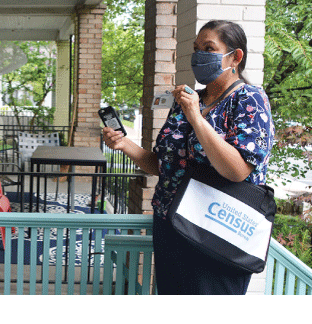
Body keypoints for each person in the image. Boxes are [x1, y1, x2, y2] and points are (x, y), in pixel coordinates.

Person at [102, 20, 274, 294]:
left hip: (218, 230)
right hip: (172, 224)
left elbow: (238, 170)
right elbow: (164, 164)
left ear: (235, 56)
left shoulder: (249, 99)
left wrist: (196, 116)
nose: (199, 55)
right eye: (196, 48)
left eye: (209, 48)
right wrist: (125, 144)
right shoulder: (188, 101)